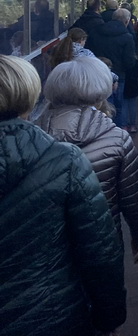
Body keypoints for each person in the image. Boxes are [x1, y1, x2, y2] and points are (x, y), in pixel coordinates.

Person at [0, 55, 126, 335]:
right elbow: (99, 251)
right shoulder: (64, 160)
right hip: (54, 315)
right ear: (29, 97)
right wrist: (110, 316)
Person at [38, 57, 138, 267]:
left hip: (45, 252)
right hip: (101, 244)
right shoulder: (116, 139)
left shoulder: (33, 136)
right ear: (102, 89)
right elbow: (136, 199)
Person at [87, 9, 138, 131]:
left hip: (97, 73)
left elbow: (89, 51)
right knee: (117, 107)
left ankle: (100, 130)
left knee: (97, 104)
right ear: (127, 21)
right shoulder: (127, 37)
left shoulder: (95, 32)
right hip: (119, 76)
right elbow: (129, 61)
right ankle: (117, 132)